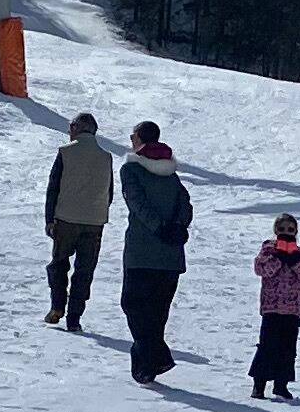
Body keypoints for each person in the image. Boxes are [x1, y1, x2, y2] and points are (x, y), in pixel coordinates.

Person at [116, 121, 193, 383]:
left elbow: (137, 203)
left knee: (133, 304)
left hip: (141, 251)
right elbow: (185, 203)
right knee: (158, 311)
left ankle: (157, 358)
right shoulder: (171, 171)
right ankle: (145, 369)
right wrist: (179, 227)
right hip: (171, 255)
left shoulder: (131, 169)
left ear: (139, 139)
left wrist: (159, 228)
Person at [44, 110, 114, 329]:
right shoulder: (106, 156)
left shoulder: (65, 152)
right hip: (94, 222)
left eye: (70, 127)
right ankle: (75, 317)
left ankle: (57, 307)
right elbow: (109, 191)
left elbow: (53, 187)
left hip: (65, 219)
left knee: (58, 265)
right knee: (85, 270)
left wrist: (49, 218)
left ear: (77, 128)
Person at [248, 215, 300, 400]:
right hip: (272, 307)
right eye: (282, 229)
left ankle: (281, 384)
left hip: (292, 309)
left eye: (290, 230)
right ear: (276, 231)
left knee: (287, 349)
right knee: (267, 346)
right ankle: (259, 385)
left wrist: (294, 261)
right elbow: (261, 270)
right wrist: (278, 258)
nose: (286, 233)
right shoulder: (268, 249)